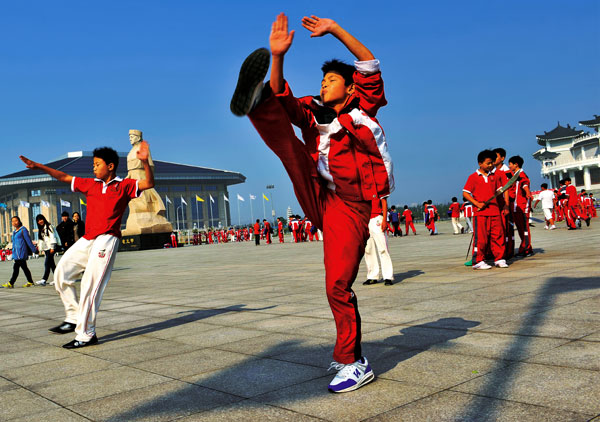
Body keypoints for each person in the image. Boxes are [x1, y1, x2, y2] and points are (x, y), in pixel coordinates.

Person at [230, 13, 393, 393]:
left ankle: (354, 362)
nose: (324, 83)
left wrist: (334, 29)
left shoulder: (364, 107)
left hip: (353, 207)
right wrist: (277, 57)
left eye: (332, 79)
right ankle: (254, 101)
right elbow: (285, 101)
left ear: (351, 87)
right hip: (322, 193)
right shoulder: (313, 110)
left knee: (336, 284)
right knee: (288, 144)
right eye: (322, 79)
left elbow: (369, 63)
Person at [19, 143, 155, 348]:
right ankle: (73, 317)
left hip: (107, 238)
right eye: (93, 164)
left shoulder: (124, 185)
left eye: (97, 164)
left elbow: (149, 183)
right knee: (61, 273)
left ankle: (86, 334)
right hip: (88, 238)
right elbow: (63, 177)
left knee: (90, 285)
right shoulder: (91, 184)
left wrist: (144, 162)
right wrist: (39, 166)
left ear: (110, 166)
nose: (93, 168)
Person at [462, 149, 509, 269]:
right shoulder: (473, 177)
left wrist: (504, 203)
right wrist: (477, 203)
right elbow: (466, 193)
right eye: (488, 163)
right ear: (480, 163)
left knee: (498, 235)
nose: (491, 165)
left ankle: (499, 258)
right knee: (481, 238)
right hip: (481, 213)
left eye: (492, 162)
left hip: (495, 211)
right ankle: (478, 261)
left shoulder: (495, 176)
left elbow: (500, 191)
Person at [507, 155, 533, 257]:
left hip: (522, 206)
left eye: (510, 164)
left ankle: (527, 249)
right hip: (516, 206)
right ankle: (524, 247)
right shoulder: (514, 175)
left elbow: (525, 184)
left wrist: (527, 193)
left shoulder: (521, 174)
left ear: (516, 164)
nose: (509, 166)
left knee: (524, 229)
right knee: (520, 228)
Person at [363, 198, 393, 286]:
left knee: (383, 249)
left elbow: (384, 201)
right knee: (368, 250)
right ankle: (372, 276)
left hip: (377, 218)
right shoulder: (359, 186)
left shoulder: (377, 185)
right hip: (365, 219)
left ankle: (388, 276)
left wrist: (384, 220)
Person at [1, 216, 36, 288]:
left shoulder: (23, 230)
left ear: (19, 221)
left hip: (21, 252)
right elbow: (14, 244)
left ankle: (11, 283)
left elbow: (28, 240)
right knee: (24, 268)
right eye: (13, 221)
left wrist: (34, 250)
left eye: (16, 221)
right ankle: (30, 281)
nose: (14, 222)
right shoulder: (14, 232)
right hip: (16, 254)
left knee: (16, 268)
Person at [34, 214, 58, 286]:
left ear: (44, 219)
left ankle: (44, 279)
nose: (40, 221)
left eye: (41, 219)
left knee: (47, 263)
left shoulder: (49, 226)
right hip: (46, 248)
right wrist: (42, 249)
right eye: (38, 221)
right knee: (52, 265)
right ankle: (57, 279)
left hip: (50, 248)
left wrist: (52, 247)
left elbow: (53, 237)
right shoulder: (41, 228)